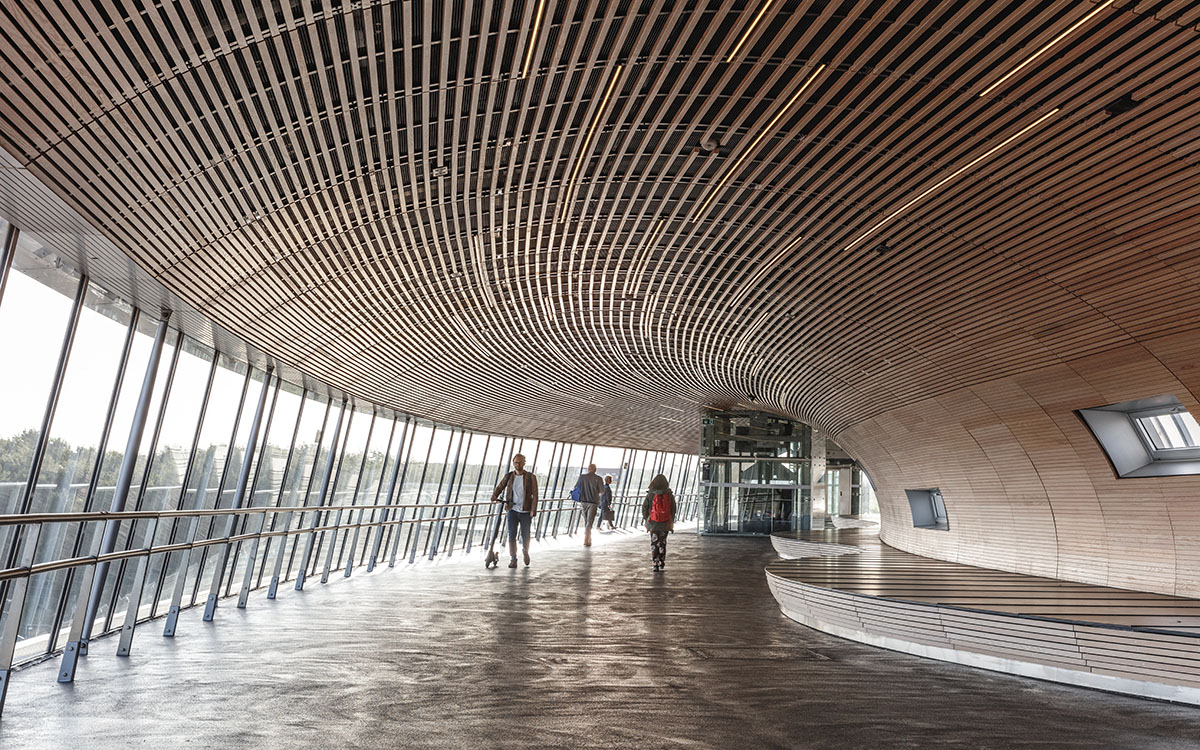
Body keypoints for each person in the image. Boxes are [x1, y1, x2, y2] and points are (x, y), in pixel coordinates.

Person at [491, 454, 538, 568]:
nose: (518, 464)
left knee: (525, 535)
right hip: (512, 509)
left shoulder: (530, 477)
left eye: (520, 462)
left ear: (524, 463)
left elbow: (535, 495)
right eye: (516, 462)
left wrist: (533, 510)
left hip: (526, 511)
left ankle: (525, 551)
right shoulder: (509, 476)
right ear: (513, 463)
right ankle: (513, 558)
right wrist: (494, 495)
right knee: (512, 535)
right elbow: (500, 486)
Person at [642, 474, 676, 572]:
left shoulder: (650, 494)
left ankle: (655, 563)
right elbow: (673, 508)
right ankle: (661, 562)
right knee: (662, 542)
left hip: (653, 523)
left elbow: (644, 507)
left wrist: (647, 518)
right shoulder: (669, 494)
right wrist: (671, 520)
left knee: (654, 543)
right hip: (665, 523)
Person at [573, 463, 606, 547]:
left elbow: (576, 487)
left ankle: (588, 537)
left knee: (587, 521)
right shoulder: (598, 478)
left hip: (583, 501)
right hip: (593, 502)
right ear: (595, 470)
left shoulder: (582, 477)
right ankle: (586, 539)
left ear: (588, 469)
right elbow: (602, 491)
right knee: (589, 522)